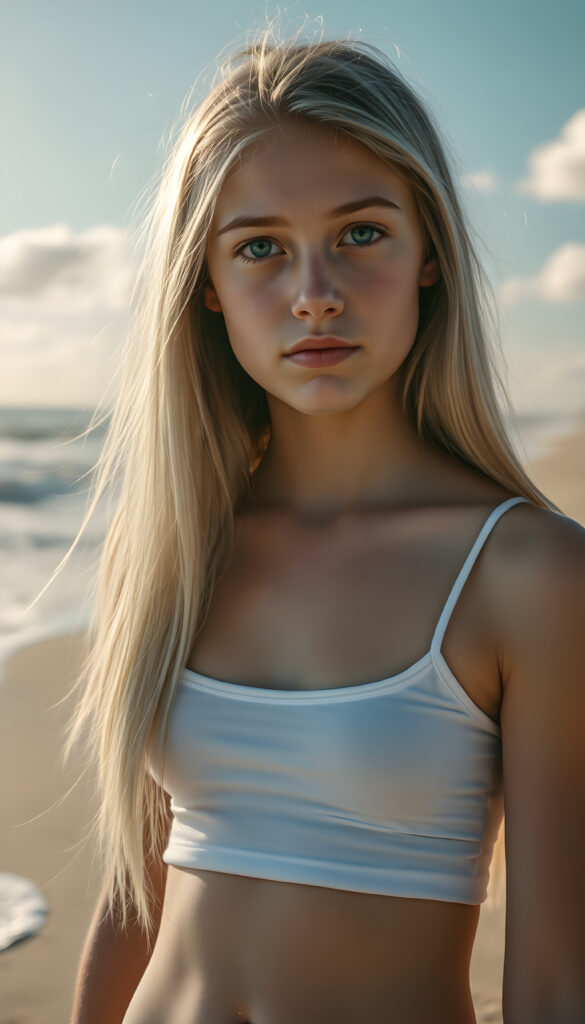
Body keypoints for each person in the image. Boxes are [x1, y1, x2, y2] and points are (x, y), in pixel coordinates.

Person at [64, 25, 585, 1024]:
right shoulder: (175, 542)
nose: (314, 296)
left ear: (429, 251)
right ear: (206, 285)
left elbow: (558, 984)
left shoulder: (529, 573)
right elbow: (134, 904)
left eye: (360, 233)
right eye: (260, 247)